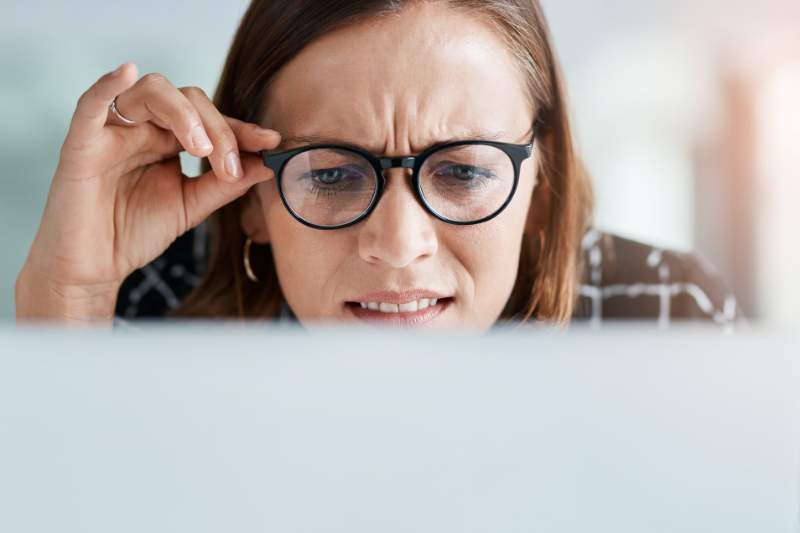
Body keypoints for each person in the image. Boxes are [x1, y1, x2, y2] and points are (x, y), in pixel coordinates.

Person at [14, 0, 741, 331]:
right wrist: (72, 296)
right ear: (250, 202)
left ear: (541, 191)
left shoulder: (662, 315)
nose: (398, 243)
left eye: (462, 172)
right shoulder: (149, 310)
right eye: (331, 174)